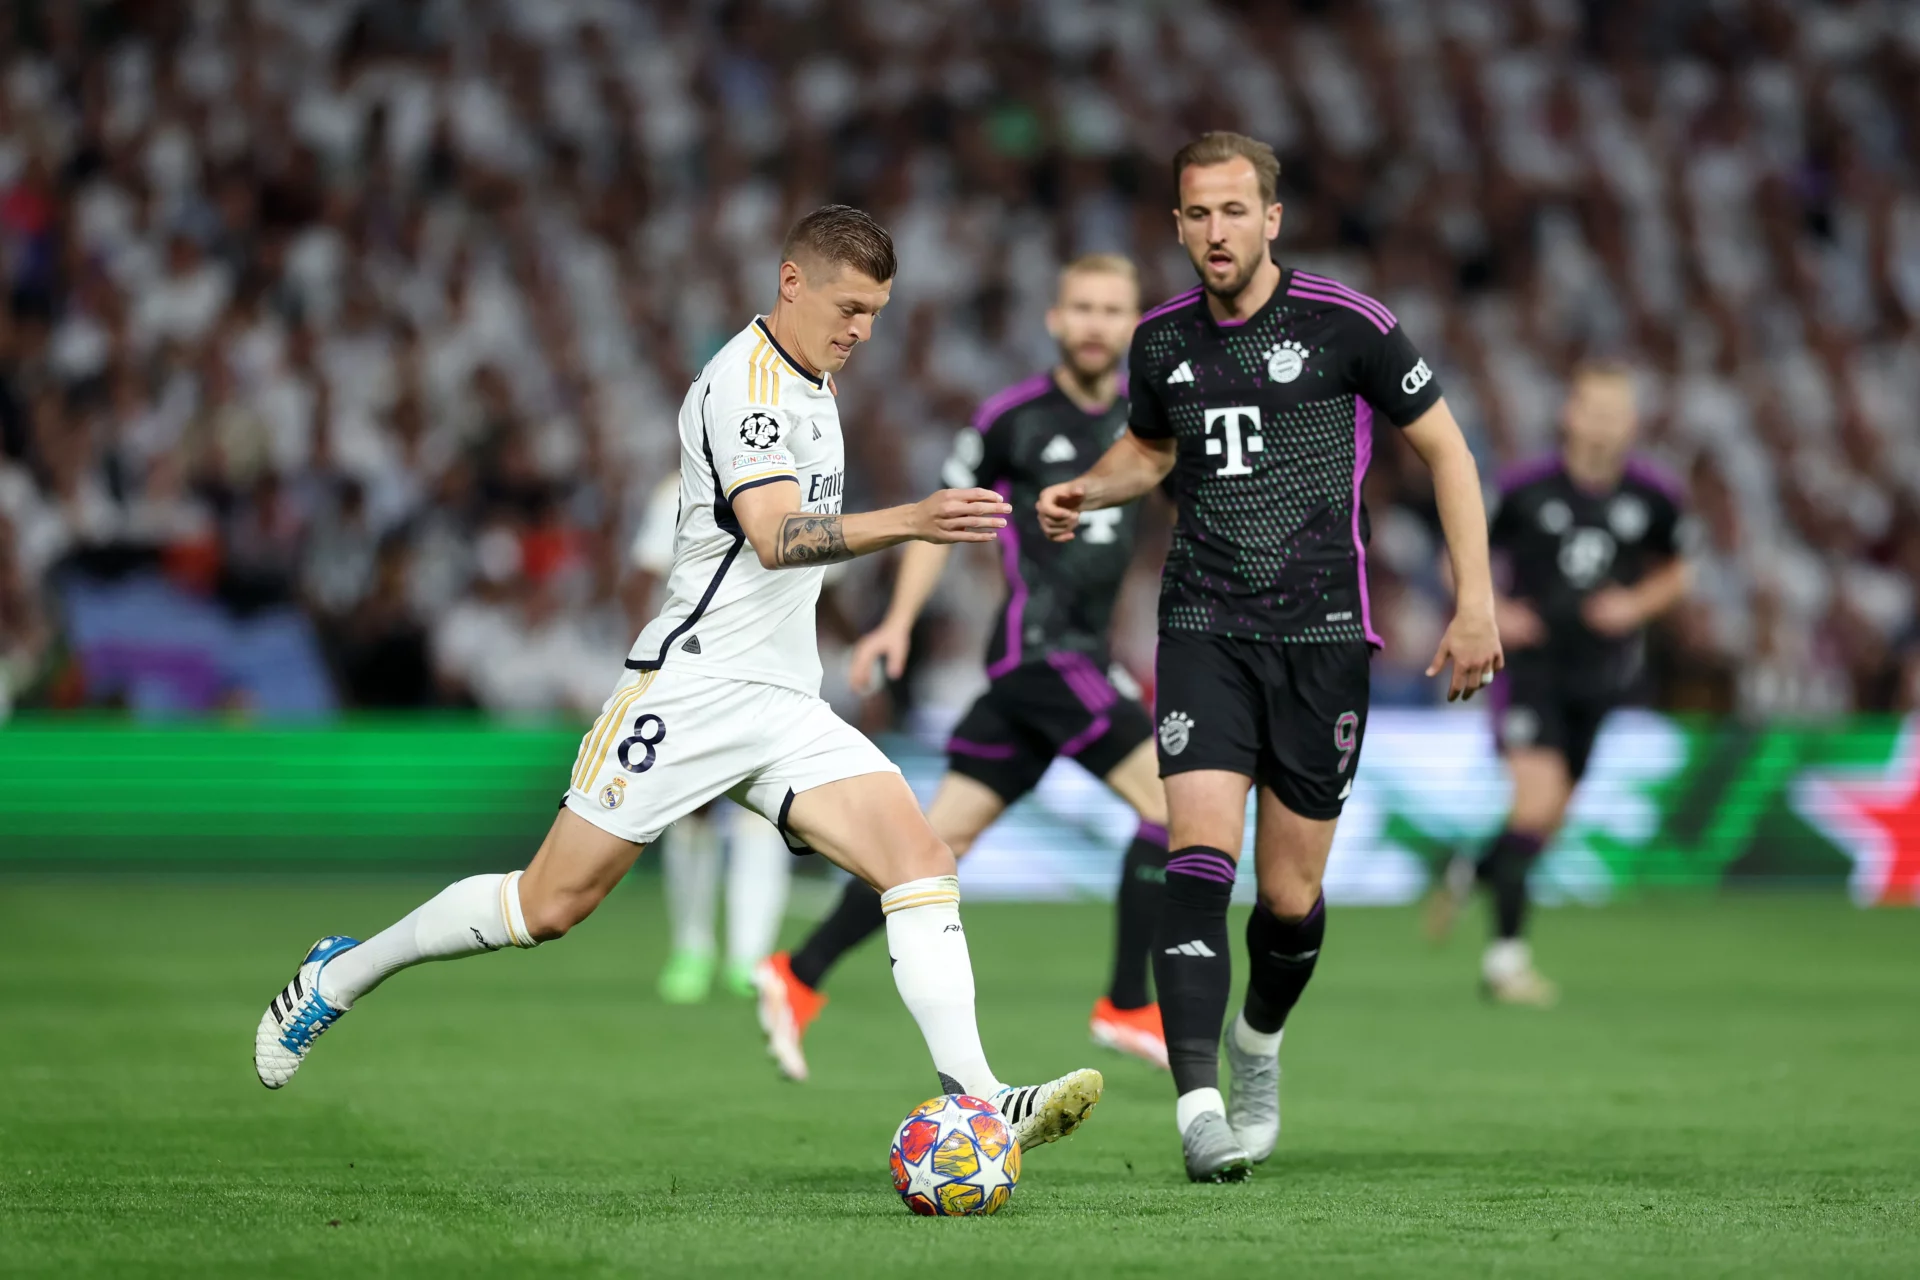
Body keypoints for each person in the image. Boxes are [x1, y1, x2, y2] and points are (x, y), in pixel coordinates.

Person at [254, 206, 1105, 1156]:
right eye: (850, 307)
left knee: (920, 864)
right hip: (690, 690)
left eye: (876, 314)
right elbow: (779, 539)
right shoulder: (741, 385)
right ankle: (340, 975)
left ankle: (986, 1105)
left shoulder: (814, 382)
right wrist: (911, 518)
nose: (862, 330)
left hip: (784, 704)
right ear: (792, 282)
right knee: (548, 907)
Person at [1037, 133, 1503, 1181]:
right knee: (1196, 852)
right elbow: (1150, 448)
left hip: (1326, 642)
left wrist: (1475, 604)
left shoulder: (1350, 325)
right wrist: (1089, 487)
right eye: (1198, 214)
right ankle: (1199, 1106)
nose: (1216, 232)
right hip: (1202, 624)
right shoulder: (1159, 344)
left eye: (1234, 212)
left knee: (1288, 901)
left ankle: (1257, 1040)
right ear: (1177, 224)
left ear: (1271, 218)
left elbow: (1449, 450)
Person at [754, 254, 1173, 1081]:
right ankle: (1128, 1002)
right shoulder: (1012, 420)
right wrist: (898, 624)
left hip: (1071, 665)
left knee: (932, 849)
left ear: (1132, 324)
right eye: (1080, 307)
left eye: (1110, 309)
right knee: (1174, 802)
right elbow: (941, 521)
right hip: (1041, 656)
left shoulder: (1144, 424)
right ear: (1055, 320)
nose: (1094, 322)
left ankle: (797, 975)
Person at [1427, 361, 1691, 1004]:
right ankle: (1505, 963)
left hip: (1600, 679)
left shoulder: (1654, 495)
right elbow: (1456, 553)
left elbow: (1678, 571)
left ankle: (1475, 869)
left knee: (1544, 823)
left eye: (1615, 412)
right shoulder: (1525, 488)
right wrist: (1491, 611)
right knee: (1536, 801)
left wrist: (1635, 606)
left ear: (1632, 423)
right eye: (1592, 409)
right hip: (1531, 672)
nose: (1602, 424)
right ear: (1569, 414)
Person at [629, 475, 791, 1005]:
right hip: (692, 664)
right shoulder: (679, 488)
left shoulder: (800, 479)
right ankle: (692, 947)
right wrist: (646, 663)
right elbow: (644, 578)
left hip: (770, 666)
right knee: (692, 807)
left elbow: (818, 587)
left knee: (763, 810)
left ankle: (750, 954)